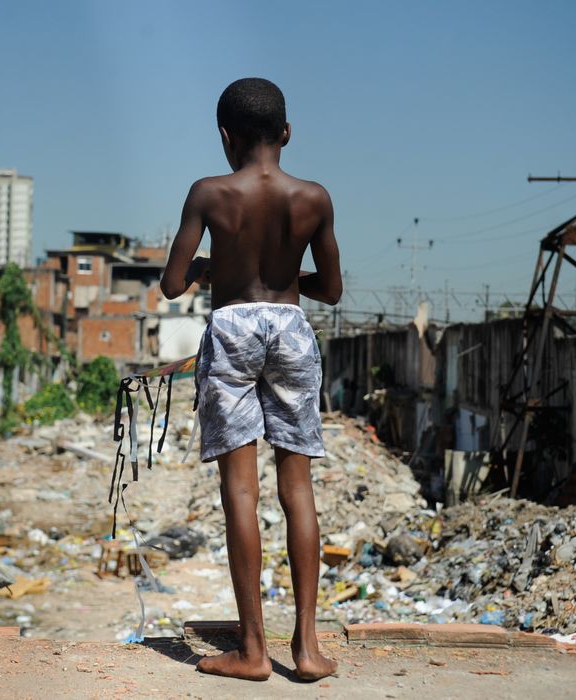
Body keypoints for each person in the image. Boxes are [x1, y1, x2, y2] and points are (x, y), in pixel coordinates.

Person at [160, 77, 343, 682]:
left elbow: (171, 282)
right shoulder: (314, 197)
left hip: (232, 328)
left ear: (225, 137)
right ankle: (309, 650)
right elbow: (333, 290)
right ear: (286, 133)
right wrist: (288, 282)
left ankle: (253, 651)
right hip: (292, 326)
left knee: (241, 490)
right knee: (299, 489)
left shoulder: (209, 192)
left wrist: (218, 269)